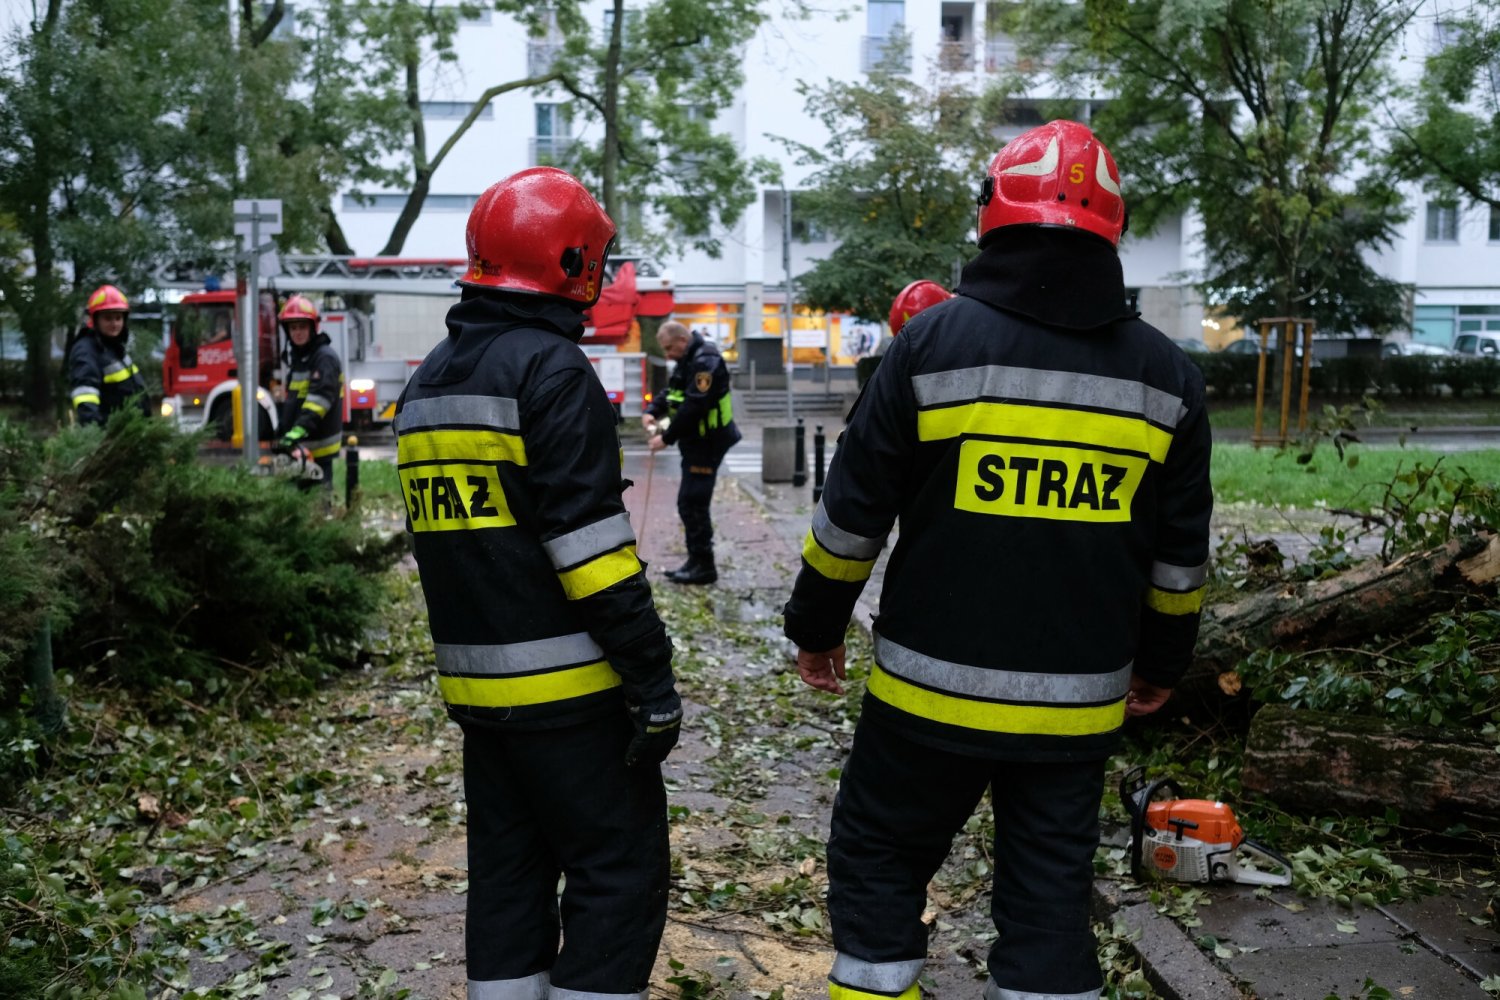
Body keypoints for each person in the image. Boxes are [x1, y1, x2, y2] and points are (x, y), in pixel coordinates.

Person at [783, 120, 1213, 1000]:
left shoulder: (929, 346)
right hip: (1076, 708)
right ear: (1113, 227)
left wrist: (815, 628)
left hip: (924, 698)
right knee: (1049, 897)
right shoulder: (1167, 378)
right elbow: (1179, 560)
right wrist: (1163, 664)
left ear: (993, 214)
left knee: (878, 863)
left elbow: (851, 521)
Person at [394, 166, 682, 1000]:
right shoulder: (552, 372)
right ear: (573, 263)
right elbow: (591, 553)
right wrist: (651, 676)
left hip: (480, 699)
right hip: (574, 697)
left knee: (508, 877)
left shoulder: (429, 381)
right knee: (617, 874)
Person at [642, 320, 741, 585]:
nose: (667, 355)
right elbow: (674, 391)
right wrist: (652, 410)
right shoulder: (689, 359)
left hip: (708, 444)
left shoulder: (705, 362)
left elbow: (695, 405)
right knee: (690, 503)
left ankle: (704, 567)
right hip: (697, 443)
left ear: (682, 341)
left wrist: (666, 438)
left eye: (669, 348)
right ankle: (696, 561)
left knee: (693, 504)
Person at [272, 295, 343, 490]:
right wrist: (282, 432)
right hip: (301, 446)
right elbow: (294, 400)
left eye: (302, 327)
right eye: (293, 328)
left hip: (318, 445)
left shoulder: (324, 358)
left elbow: (319, 401)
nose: (297, 332)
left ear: (312, 327)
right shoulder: (300, 358)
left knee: (318, 499)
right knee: (298, 500)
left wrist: (297, 432)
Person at [68, 284, 151, 426]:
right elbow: (85, 397)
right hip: (110, 433)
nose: (114, 324)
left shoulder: (113, 346)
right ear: (95, 320)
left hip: (129, 430)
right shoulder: (86, 351)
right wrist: (95, 432)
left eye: (118, 318)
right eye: (108, 318)